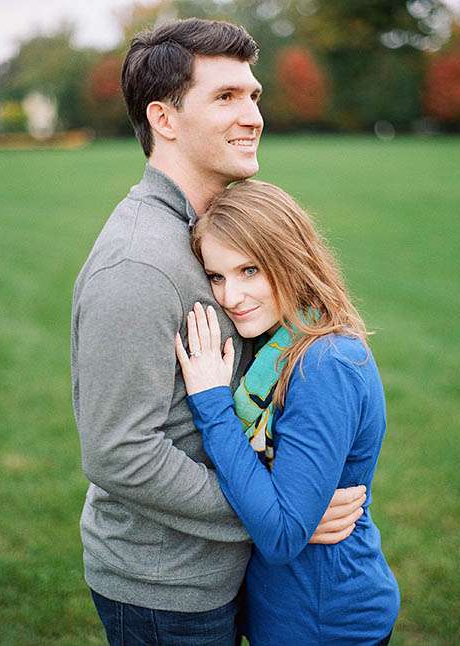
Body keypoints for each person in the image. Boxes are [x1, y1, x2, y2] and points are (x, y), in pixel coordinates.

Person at [71, 18, 359, 644]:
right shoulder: (139, 263)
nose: (253, 114)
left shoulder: (212, 237)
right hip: (166, 590)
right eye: (226, 97)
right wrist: (278, 515)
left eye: (253, 95)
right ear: (164, 119)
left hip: (224, 574)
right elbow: (117, 451)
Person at [174, 180, 400, 644]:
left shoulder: (324, 364)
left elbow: (280, 535)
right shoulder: (274, 348)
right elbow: (284, 518)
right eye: (217, 276)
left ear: (290, 259)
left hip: (324, 618)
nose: (230, 296)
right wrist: (285, 514)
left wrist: (213, 404)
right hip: (282, 611)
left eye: (249, 270)